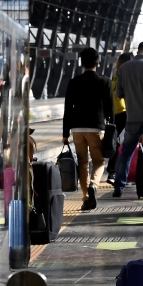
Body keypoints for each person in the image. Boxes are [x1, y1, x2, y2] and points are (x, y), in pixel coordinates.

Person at [62, 47, 114, 210]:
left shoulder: (73, 82)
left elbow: (68, 108)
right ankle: (93, 184)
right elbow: (110, 108)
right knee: (99, 161)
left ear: (82, 64)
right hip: (96, 127)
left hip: (77, 129)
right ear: (97, 63)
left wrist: (65, 133)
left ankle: (86, 198)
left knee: (82, 163)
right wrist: (112, 127)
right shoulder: (104, 81)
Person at [113, 42, 143, 197]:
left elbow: (119, 93)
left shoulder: (124, 68)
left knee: (126, 152)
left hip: (131, 117)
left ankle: (119, 186)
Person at [107, 52, 133, 184]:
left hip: (114, 113)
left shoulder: (115, 75)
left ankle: (112, 171)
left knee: (116, 142)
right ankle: (119, 173)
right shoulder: (127, 75)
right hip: (125, 112)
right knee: (126, 143)